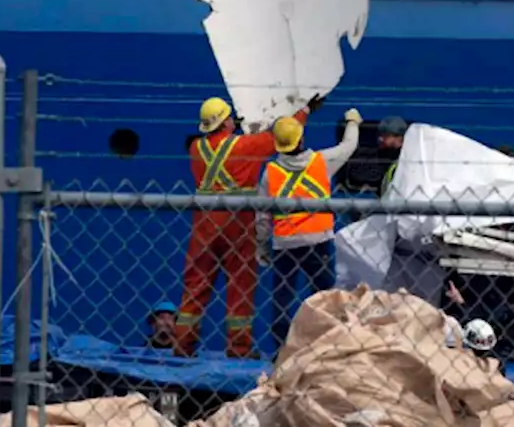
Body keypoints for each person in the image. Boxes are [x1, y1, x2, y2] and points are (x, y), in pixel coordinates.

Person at [175, 93, 323, 358]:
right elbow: (274, 138)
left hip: (204, 222)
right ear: (226, 122)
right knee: (240, 282)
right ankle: (239, 347)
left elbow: (219, 149)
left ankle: (183, 344)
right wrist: (304, 111)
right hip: (237, 220)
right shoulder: (244, 146)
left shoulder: (195, 148)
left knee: (196, 281)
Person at [258, 108, 362, 354]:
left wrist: (262, 246)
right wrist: (352, 122)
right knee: (325, 295)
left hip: (285, 244)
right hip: (318, 241)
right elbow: (348, 146)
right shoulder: (321, 162)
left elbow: (262, 216)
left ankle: (281, 350)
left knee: (283, 297)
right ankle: (329, 343)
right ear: (301, 138)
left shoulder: (270, 173)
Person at [377, 116, 408, 196]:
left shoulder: (407, 158)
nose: (381, 139)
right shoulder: (383, 154)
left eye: (385, 136)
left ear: (398, 137)